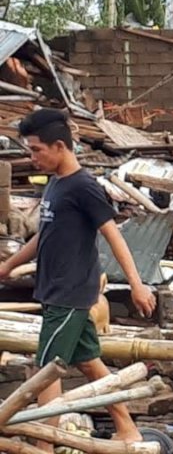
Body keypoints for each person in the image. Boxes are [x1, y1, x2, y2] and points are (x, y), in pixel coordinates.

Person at [0, 109, 156, 449]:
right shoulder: (56, 184)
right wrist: (8, 265)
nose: (32, 157)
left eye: (37, 150)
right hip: (56, 289)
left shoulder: (84, 187)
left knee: (46, 372)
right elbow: (44, 235)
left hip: (68, 294)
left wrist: (136, 284)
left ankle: (43, 445)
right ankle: (127, 428)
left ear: (59, 146)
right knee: (87, 362)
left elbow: (114, 236)